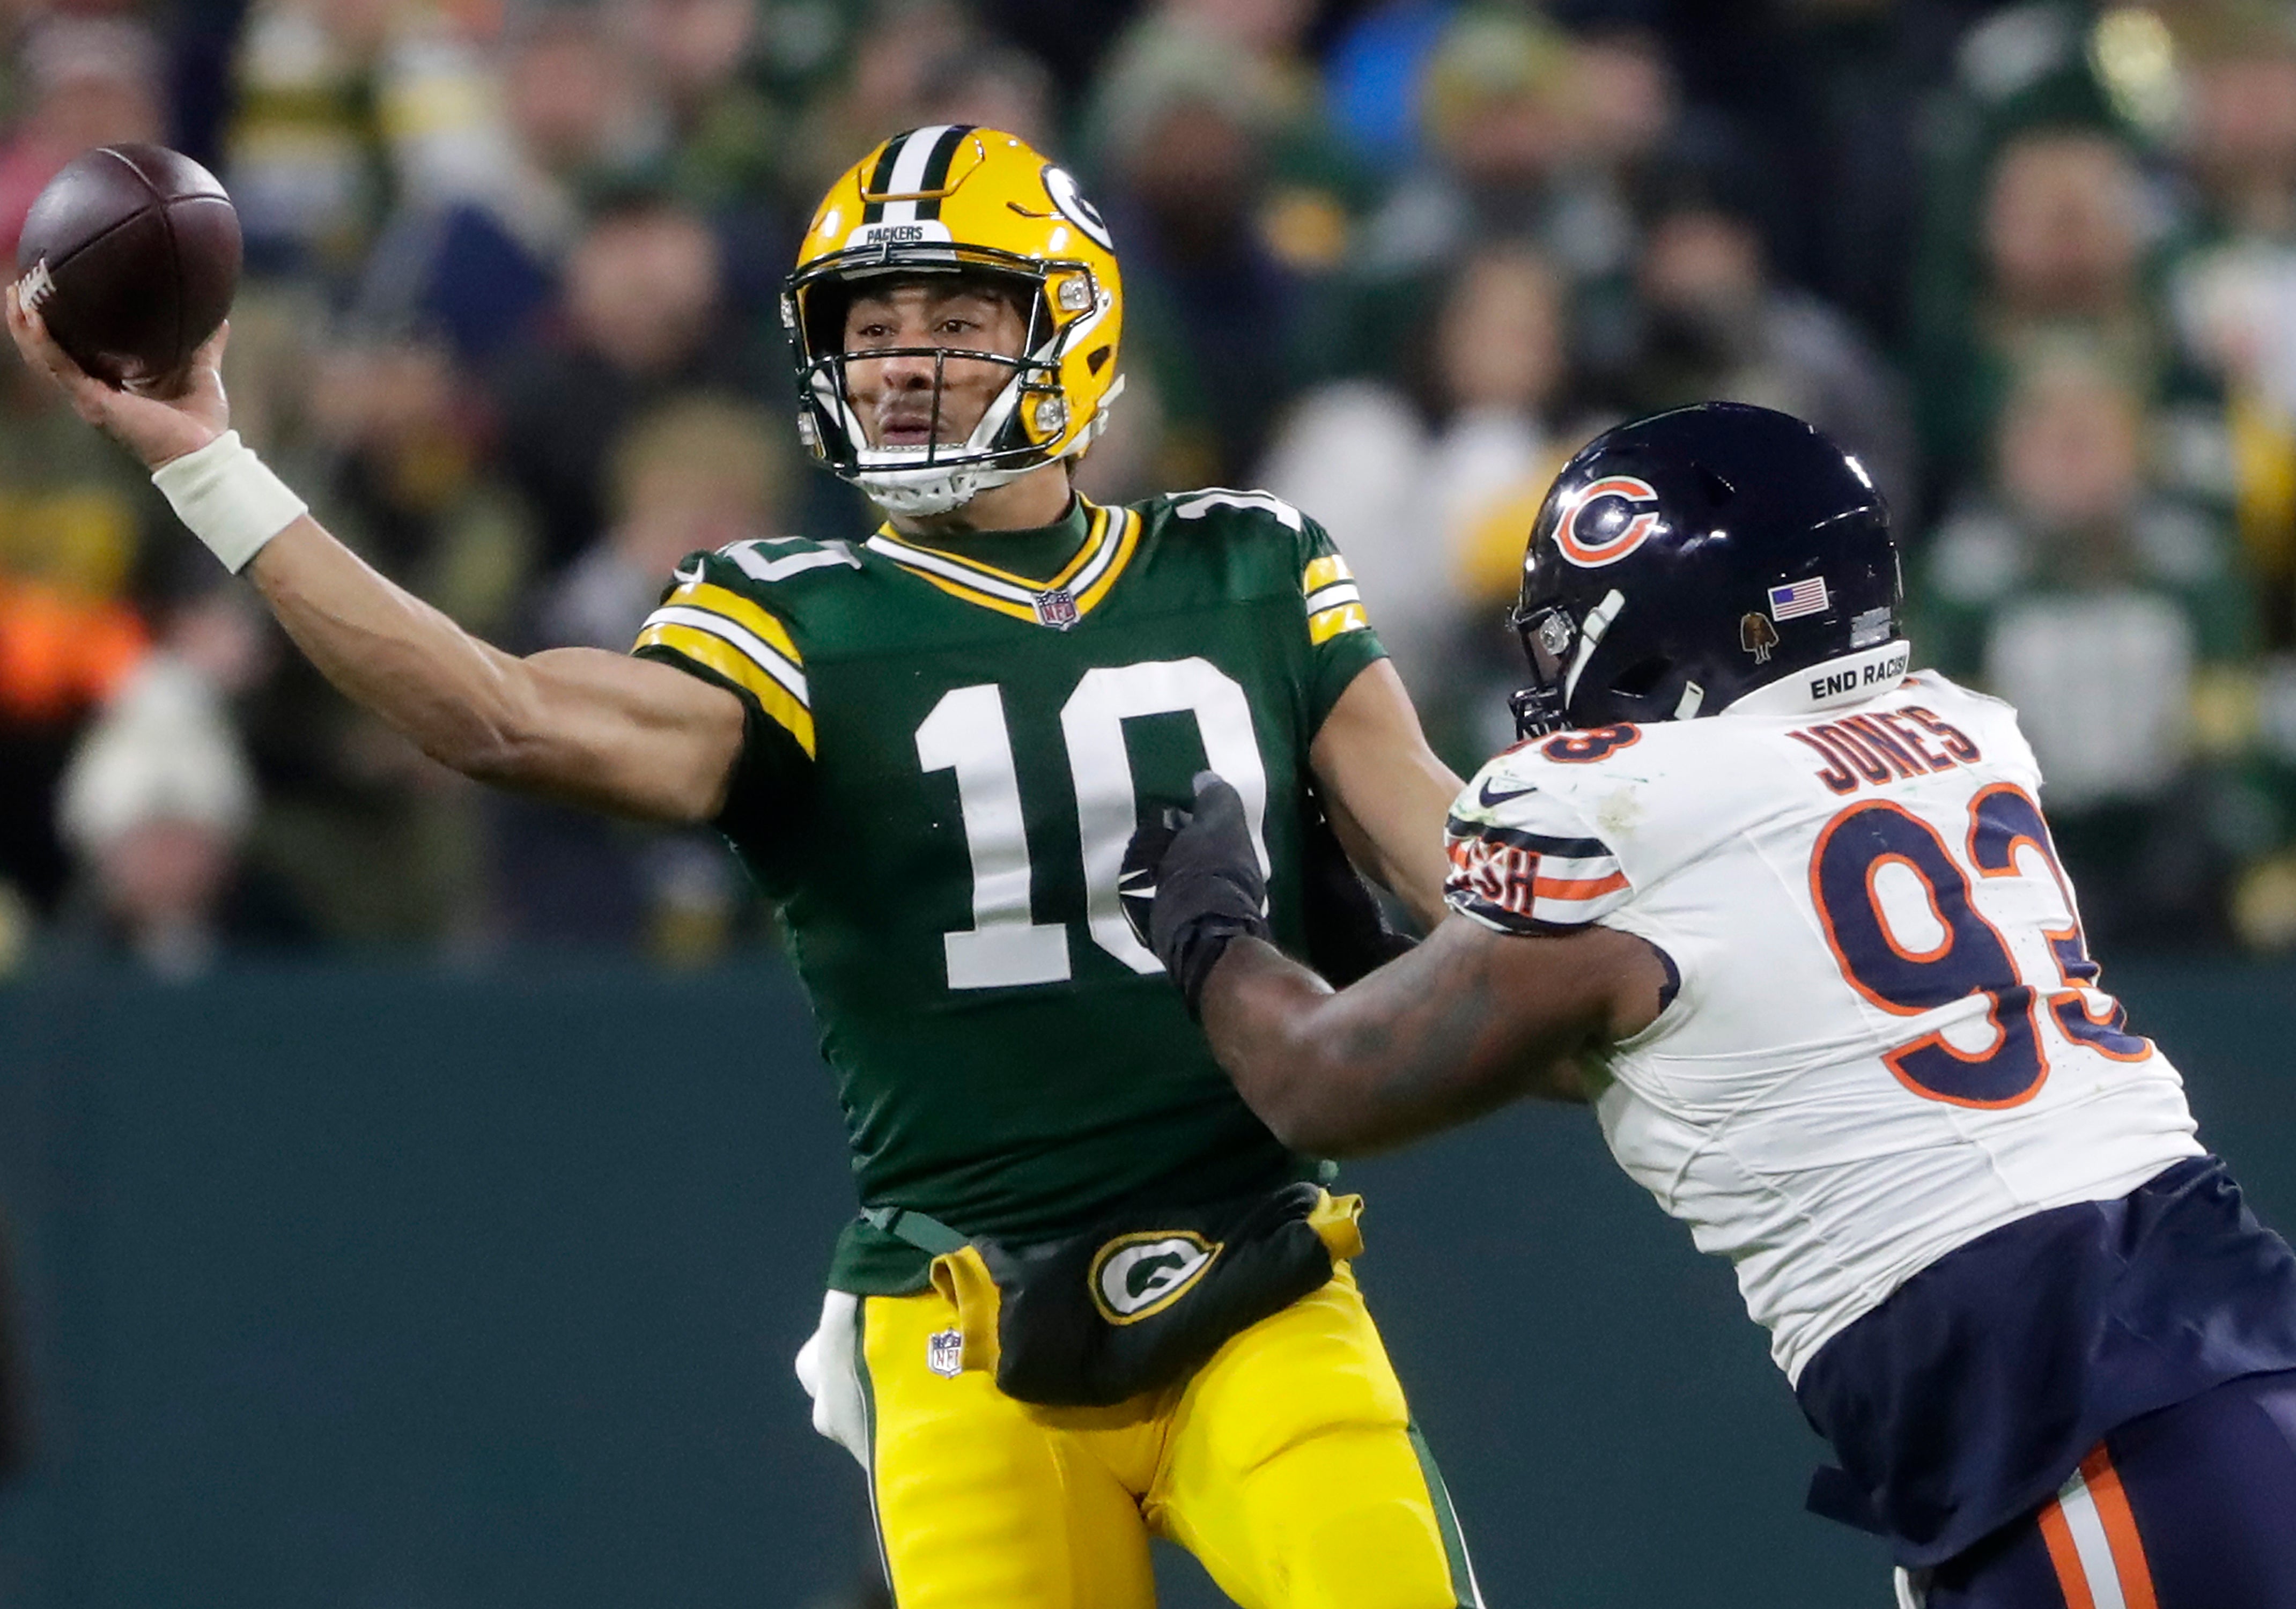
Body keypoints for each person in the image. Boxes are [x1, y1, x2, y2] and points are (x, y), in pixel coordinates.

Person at [9, 127, 1484, 1607]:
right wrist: (213, 464)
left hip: (1262, 1278)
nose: (904, 364)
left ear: (1074, 327)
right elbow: (504, 715)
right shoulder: (790, 613)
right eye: (871, 328)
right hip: (968, 1315)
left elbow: (1461, 872)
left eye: (957, 321)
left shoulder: (1250, 566)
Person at [1128, 402, 2296, 1608]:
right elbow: (1622, 1038)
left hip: (2069, 1410)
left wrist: (1207, 927)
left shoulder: (1638, 809)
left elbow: (1318, 1083)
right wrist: (1379, 938)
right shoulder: (1958, 734)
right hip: (2152, 1366)